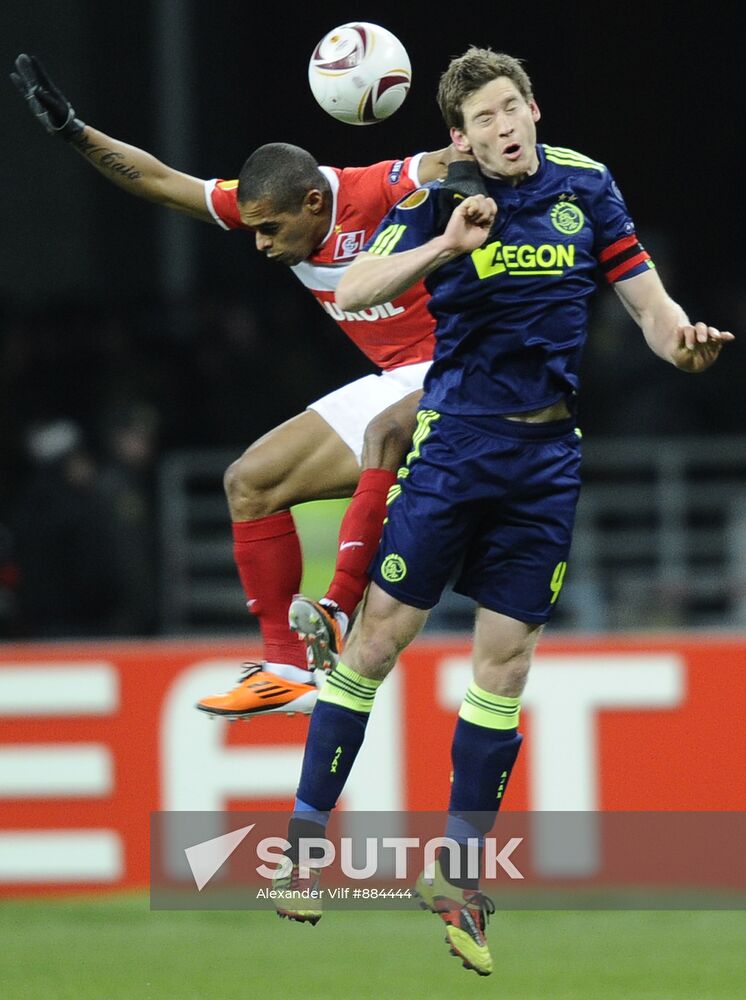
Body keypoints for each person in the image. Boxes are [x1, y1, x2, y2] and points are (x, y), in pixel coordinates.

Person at [275, 47, 734, 975]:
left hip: (546, 459)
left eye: (510, 108)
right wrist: (445, 246)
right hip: (454, 445)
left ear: (532, 109)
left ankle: (458, 877)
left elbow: (648, 307)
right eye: (482, 119)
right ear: (461, 136)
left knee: (507, 664)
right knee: (380, 638)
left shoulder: (586, 186)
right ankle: (303, 845)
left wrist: (681, 342)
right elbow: (354, 288)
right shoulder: (439, 195)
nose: (502, 128)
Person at [10, 53, 483, 717]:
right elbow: (161, 182)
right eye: (253, 227)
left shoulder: (379, 189)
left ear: (313, 203)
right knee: (249, 482)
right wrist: (73, 132)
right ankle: (286, 670)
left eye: (269, 230)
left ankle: (339, 610)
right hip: (400, 375)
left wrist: (470, 147)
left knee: (384, 433)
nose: (259, 244)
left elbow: (446, 163)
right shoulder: (273, 202)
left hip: (468, 367)